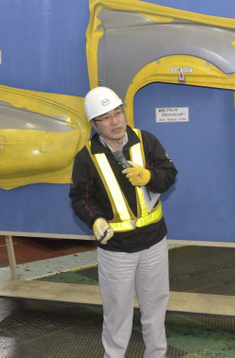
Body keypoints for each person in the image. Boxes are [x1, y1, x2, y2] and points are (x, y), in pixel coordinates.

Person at [70, 86, 178, 358]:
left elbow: (169, 174)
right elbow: (80, 198)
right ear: (94, 124)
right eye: (106, 118)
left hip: (153, 243)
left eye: (118, 113)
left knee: (155, 310)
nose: (115, 121)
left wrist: (149, 177)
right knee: (117, 314)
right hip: (116, 250)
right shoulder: (86, 157)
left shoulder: (146, 140)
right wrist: (95, 220)